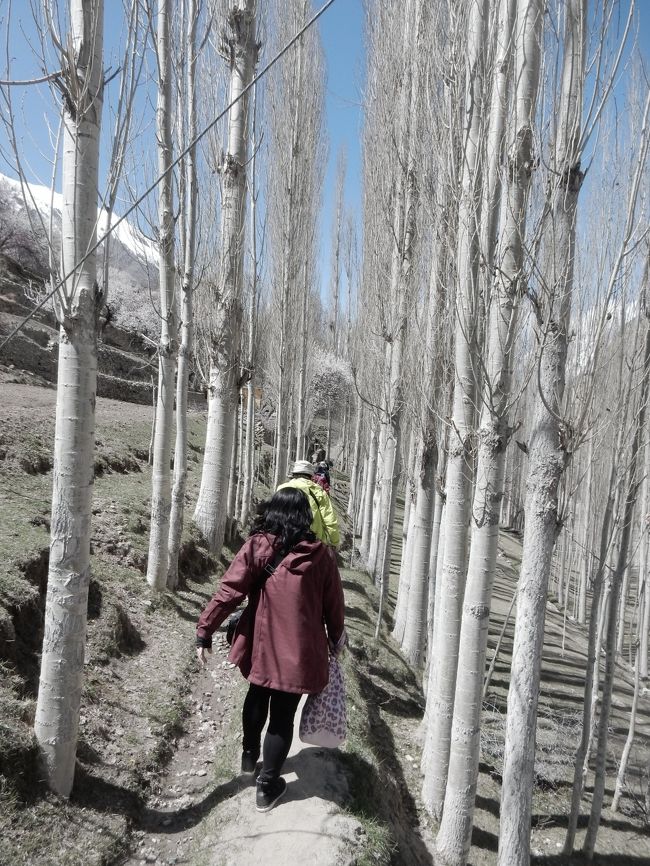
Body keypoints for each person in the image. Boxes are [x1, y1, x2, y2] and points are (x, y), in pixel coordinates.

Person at [196, 487, 346, 813]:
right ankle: (267, 787)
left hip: (261, 645)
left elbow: (228, 592)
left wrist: (205, 630)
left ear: (272, 511)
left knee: (256, 694)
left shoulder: (257, 546)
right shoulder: (321, 556)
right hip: (301, 652)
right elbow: (334, 607)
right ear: (305, 517)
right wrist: (337, 641)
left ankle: (250, 756)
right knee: (282, 717)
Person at [277, 459, 340, 546]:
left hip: (284, 540)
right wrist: (335, 542)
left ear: (293, 474)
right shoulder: (318, 491)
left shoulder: (281, 489)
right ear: (311, 476)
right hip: (313, 544)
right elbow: (329, 521)